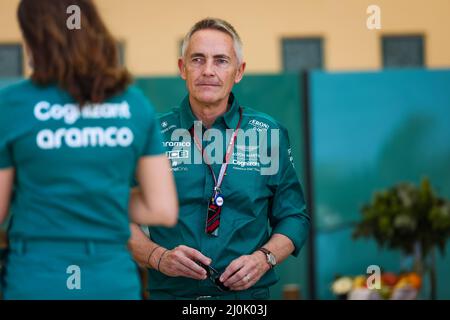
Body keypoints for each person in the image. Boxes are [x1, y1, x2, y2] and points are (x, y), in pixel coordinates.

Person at [0, 0, 178, 300]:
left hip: (40, 277)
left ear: (35, 39)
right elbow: (161, 208)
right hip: (110, 280)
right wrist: (97, 196)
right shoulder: (134, 104)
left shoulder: (12, 104)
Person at [129, 18, 310, 300]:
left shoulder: (267, 134)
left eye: (221, 61)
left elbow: (294, 217)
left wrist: (264, 259)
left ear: (239, 71)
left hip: (246, 300)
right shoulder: (151, 135)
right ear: (182, 68)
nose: (208, 71)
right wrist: (157, 256)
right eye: (198, 59)